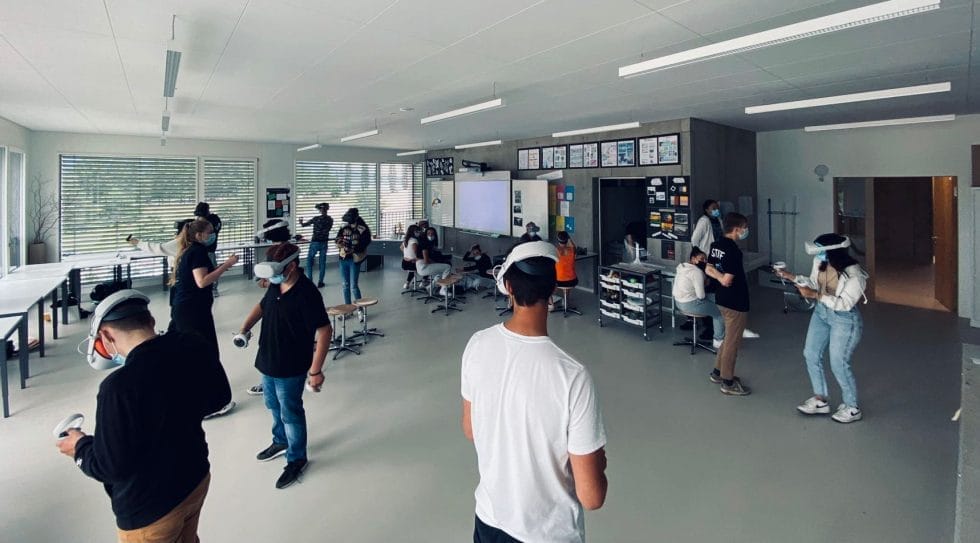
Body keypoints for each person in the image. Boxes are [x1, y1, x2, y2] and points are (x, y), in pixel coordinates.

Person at [56, 290, 231, 541]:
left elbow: (111, 466)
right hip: (195, 477)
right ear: (150, 320)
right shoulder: (193, 346)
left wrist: (80, 446)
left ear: (105, 336)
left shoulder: (118, 387)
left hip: (150, 507)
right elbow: (220, 397)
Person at [461, 241, 607, 542]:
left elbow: (470, 428)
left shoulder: (477, 344)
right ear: (552, 290)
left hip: (488, 519)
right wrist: (599, 464)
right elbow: (592, 497)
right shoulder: (572, 376)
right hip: (547, 534)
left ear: (509, 287)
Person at [238, 243, 333, 489]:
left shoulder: (306, 293)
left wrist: (316, 370)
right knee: (272, 404)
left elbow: (324, 331)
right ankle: (280, 441)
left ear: (292, 266)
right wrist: (245, 327)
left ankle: (296, 458)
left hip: (291, 365)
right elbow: (262, 306)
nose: (274, 277)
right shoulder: (275, 283)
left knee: (290, 412)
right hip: (268, 359)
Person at [776, 234, 868, 423]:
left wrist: (815, 295)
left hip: (845, 320)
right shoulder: (820, 262)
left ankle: (852, 407)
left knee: (839, 363)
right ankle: (820, 400)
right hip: (821, 313)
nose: (818, 255)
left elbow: (845, 304)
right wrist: (790, 276)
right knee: (810, 353)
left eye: (821, 251)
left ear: (833, 252)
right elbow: (813, 282)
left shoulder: (855, 275)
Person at [171, 218, 238, 417]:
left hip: (184, 308)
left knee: (185, 350)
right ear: (200, 235)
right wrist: (226, 264)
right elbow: (202, 281)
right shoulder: (198, 252)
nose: (212, 236)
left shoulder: (188, 250)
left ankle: (187, 393)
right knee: (205, 353)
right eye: (210, 232)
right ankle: (210, 403)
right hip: (193, 311)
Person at [705, 212, 752, 396]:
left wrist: (718, 276)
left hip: (722, 299)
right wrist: (722, 278)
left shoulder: (716, 245)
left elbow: (709, 268)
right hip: (736, 302)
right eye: (745, 227)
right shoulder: (733, 250)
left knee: (727, 339)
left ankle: (717, 373)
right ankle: (728, 382)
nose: (746, 231)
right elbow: (728, 279)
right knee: (732, 343)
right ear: (737, 229)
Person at [247, 219, 293, 398]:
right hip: (278, 297)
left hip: (279, 299)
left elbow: (262, 280)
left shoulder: (281, 252)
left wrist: (267, 282)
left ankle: (270, 381)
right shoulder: (287, 249)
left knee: (273, 340)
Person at [672, 247, 725, 349]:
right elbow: (701, 296)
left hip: (678, 302)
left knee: (715, 298)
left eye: (706, 259)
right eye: (701, 258)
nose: (704, 261)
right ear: (693, 259)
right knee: (719, 313)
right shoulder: (697, 272)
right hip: (689, 304)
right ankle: (718, 340)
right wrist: (705, 283)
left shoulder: (682, 267)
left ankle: (720, 327)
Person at [335, 208, 371, 305]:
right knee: (345, 285)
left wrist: (354, 249)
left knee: (353, 286)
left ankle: (360, 308)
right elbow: (338, 237)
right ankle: (348, 308)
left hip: (354, 259)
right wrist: (339, 242)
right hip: (343, 258)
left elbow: (366, 242)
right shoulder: (344, 227)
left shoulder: (362, 228)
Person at [301, 203, 333, 288]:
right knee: (322, 263)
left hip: (315, 242)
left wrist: (301, 222)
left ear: (320, 210)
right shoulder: (330, 219)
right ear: (327, 209)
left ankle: (310, 281)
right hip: (324, 242)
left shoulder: (316, 219)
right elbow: (329, 229)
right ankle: (320, 282)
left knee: (309, 261)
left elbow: (304, 225)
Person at [193, 202, 222, 295]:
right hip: (199, 251)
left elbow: (211, 235)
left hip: (210, 250)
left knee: (212, 269)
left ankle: (214, 289)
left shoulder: (213, 220)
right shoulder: (196, 223)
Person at [416, 225, 452, 297]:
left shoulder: (429, 244)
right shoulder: (424, 244)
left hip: (422, 266)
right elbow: (426, 260)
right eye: (428, 234)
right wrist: (438, 262)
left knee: (441, 271)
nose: (430, 235)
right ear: (426, 234)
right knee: (447, 267)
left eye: (432, 234)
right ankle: (443, 289)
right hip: (423, 267)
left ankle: (430, 287)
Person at [551, 231, 578, 311]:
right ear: (567, 240)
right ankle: (566, 302)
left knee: (548, 283)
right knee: (567, 279)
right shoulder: (572, 250)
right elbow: (573, 246)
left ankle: (551, 305)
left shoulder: (555, 251)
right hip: (572, 281)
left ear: (558, 240)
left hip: (559, 282)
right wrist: (568, 237)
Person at [401, 224, 421, 289]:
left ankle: (407, 283)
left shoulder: (406, 239)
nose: (419, 233)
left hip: (405, 262)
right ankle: (424, 281)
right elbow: (416, 252)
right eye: (417, 231)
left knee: (412, 271)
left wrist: (406, 255)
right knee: (427, 263)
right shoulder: (414, 241)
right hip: (411, 262)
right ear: (413, 232)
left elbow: (401, 247)